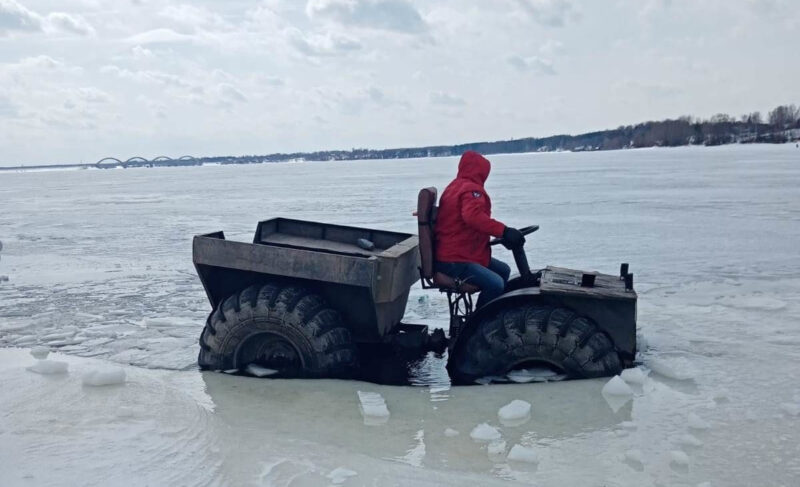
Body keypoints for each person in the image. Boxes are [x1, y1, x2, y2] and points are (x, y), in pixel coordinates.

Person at [434, 150, 525, 308]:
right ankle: (479, 325)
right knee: (495, 284)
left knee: (503, 270)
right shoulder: (471, 190)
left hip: (461, 253)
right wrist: (504, 231)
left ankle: (495, 314)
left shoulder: (455, 186)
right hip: (455, 259)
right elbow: (473, 217)